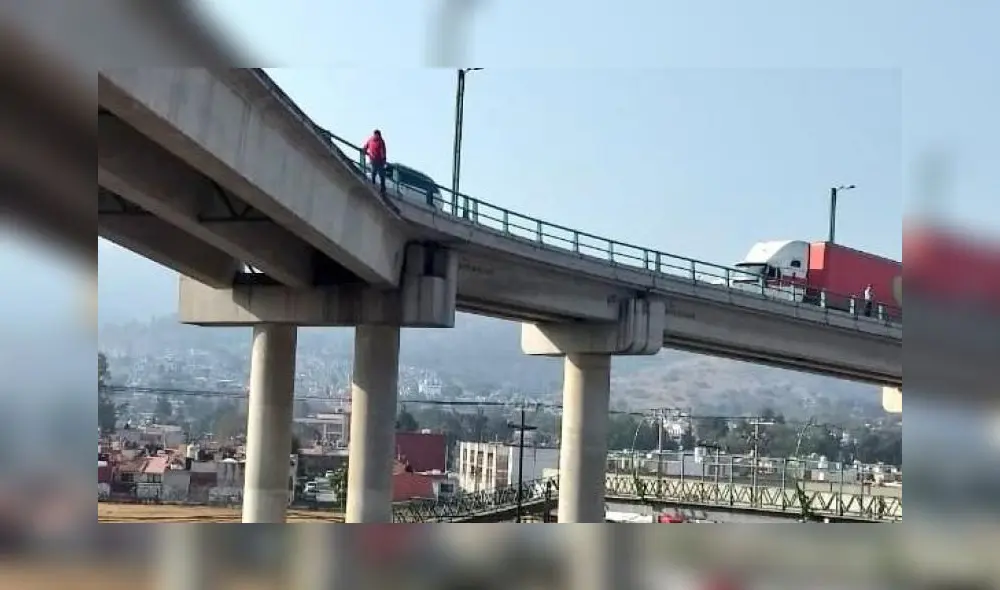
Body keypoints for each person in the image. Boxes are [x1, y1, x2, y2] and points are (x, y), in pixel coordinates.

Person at [363, 129, 387, 196]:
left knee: (380, 173)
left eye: (377, 135)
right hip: (375, 159)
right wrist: (364, 150)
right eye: (376, 135)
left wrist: (384, 159)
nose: (376, 136)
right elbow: (366, 145)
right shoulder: (373, 140)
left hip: (378, 160)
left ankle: (382, 187)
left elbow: (383, 151)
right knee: (376, 172)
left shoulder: (380, 141)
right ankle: (374, 183)